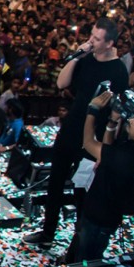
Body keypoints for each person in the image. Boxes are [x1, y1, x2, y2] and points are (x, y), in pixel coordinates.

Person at [25, 18, 128, 248]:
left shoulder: (119, 71)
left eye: (97, 39)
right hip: (71, 129)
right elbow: (62, 83)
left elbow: (118, 115)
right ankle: (48, 233)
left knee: (82, 191)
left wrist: (105, 149)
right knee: (55, 182)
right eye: (91, 35)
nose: (91, 41)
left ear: (109, 43)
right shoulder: (86, 59)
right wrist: (76, 57)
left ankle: (78, 243)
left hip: (93, 138)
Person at [64, 89, 134, 263]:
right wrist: (112, 122)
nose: (130, 121)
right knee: (86, 249)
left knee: (85, 259)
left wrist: (92, 110)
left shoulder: (127, 157)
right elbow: (107, 149)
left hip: (98, 216)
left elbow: (89, 143)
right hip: (107, 215)